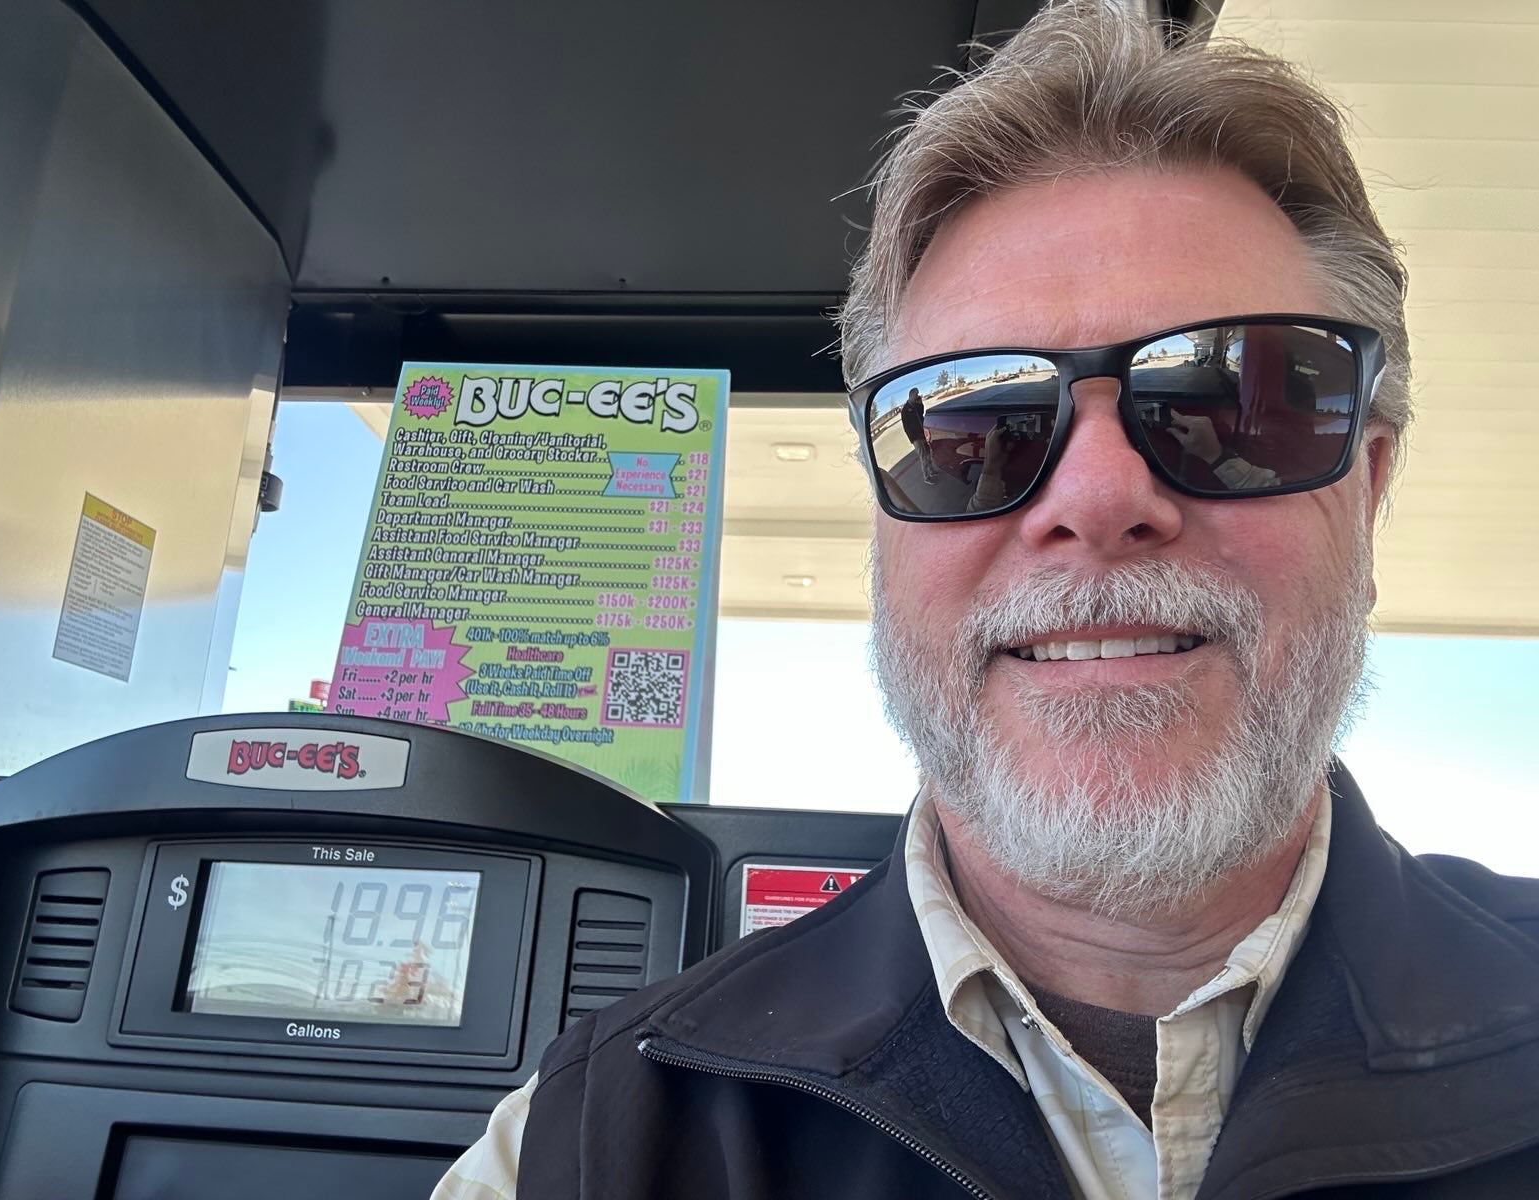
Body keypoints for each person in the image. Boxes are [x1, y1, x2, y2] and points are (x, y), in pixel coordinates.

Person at [435, 4, 1539, 1197]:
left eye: (1229, 404)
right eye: (976, 429)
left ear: (1366, 493)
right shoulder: (589, 1141)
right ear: (883, 527)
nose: (1098, 497)